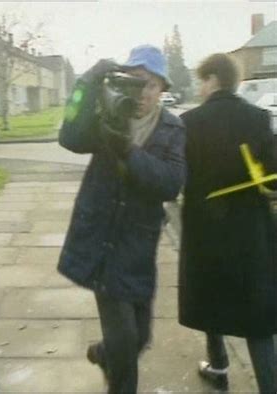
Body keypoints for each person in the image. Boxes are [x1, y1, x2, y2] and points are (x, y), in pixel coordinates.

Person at [57, 45, 186, 393]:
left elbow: (170, 184)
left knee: (140, 337)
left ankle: (103, 353)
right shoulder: (107, 115)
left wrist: (129, 152)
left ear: (162, 89)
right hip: (103, 241)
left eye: (150, 85)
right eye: (134, 82)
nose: (142, 93)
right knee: (126, 347)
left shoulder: (173, 128)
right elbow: (68, 135)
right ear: (122, 80)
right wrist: (85, 83)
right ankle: (116, 366)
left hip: (138, 246)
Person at [179, 53, 277, 393]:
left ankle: (219, 367)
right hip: (250, 233)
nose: (199, 88)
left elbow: (179, 179)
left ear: (212, 80)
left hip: (206, 230)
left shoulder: (189, 122)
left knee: (211, 298)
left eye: (200, 81)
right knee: (258, 315)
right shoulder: (259, 118)